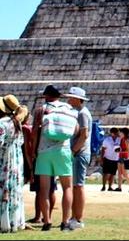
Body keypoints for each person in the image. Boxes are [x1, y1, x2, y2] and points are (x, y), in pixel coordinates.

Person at [31, 85, 77, 231]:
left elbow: (34, 133)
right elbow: (75, 130)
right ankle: (65, 222)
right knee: (67, 187)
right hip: (63, 150)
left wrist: (33, 151)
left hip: (44, 152)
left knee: (44, 189)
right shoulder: (68, 109)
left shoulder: (41, 110)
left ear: (46, 96)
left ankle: (47, 222)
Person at [63, 87, 92, 230]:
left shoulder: (82, 114)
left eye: (71, 97)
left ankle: (78, 218)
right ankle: (74, 216)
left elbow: (84, 135)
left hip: (80, 153)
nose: (68, 100)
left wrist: (73, 151)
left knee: (78, 186)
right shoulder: (79, 113)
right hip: (78, 153)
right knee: (75, 186)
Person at [0, 95, 29, 233]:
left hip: (4, 160)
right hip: (15, 161)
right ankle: (14, 222)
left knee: (3, 188)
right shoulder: (16, 123)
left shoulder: (3, 123)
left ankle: (3, 223)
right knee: (13, 190)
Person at [116, 128, 129, 192]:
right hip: (120, 157)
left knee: (125, 174)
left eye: (120, 132)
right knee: (119, 173)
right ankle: (119, 187)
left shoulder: (126, 140)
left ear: (124, 133)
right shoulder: (121, 139)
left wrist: (120, 152)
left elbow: (128, 150)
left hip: (125, 158)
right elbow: (122, 149)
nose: (119, 134)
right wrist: (119, 150)